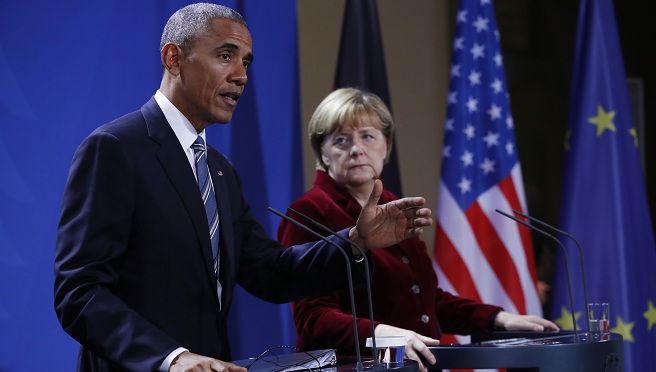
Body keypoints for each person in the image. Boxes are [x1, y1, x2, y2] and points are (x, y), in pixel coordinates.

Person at [53, 5, 433, 372]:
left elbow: (269, 270)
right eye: (225, 56)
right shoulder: (116, 148)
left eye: (246, 61)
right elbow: (80, 292)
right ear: (174, 58)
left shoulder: (219, 170)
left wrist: (356, 239)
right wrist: (172, 358)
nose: (241, 75)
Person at [277, 87, 560, 372]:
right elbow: (313, 319)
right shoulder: (309, 212)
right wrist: (382, 335)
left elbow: (427, 300)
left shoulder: (393, 206)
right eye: (341, 139)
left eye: (367, 136)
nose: (356, 149)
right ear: (322, 153)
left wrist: (499, 319)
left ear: (385, 146)